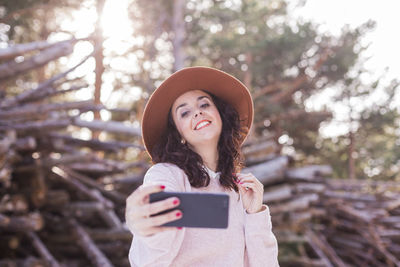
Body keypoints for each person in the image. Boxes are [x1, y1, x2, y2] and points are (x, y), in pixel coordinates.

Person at [125, 66, 279, 266]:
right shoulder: (166, 175)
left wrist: (255, 214)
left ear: (220, 114)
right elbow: (149, 257)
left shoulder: (238, 190)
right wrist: (148, 222)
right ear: (178, 133)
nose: (197, 113)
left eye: (204, 105)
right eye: (185, 113)